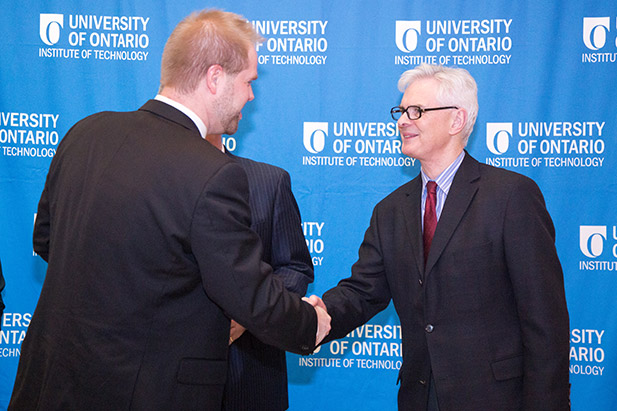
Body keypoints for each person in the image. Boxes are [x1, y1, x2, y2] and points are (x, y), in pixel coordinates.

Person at [9, 9, 330, 411]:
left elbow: (47, 240)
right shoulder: (214, 173)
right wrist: (309, 324)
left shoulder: (84, 134)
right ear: (215, 78)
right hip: (144, 392)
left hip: (48, 385)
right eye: (249, 81)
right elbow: (248, 294)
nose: (251, 95)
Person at [306, 64, 570, 410]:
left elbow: (545, 321)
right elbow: (362, 293)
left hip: (497, 399)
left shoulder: (511, 196)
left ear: (456, 120)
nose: (402, 121)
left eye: (416, 111)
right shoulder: (390, 210)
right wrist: (313, 317)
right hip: (420, 397)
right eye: (400, 112)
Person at [206, 134, 313, 411]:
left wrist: (251, 315)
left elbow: (295, 267)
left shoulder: (268, 181)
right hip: (167, 381)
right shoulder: (158, 182)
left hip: (252, 375)